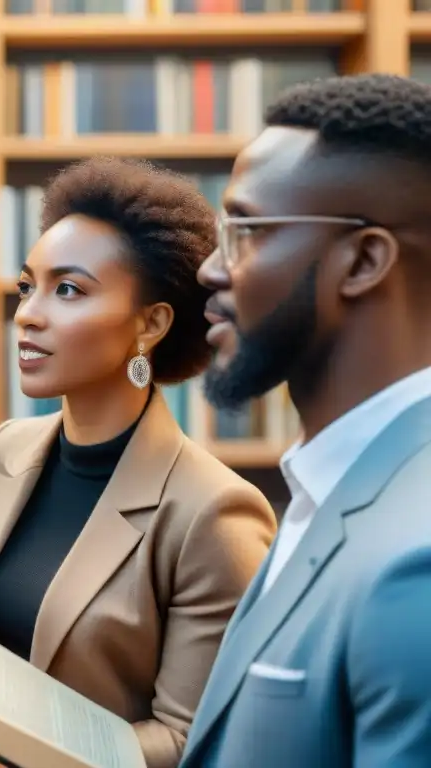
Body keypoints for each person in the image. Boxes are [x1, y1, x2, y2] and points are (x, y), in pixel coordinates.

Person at [0, 157, 277, 768]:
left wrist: (28, 745)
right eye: (28, 286)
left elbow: (192, 739)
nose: (27, 312)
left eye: (69, 289)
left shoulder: (213, 514)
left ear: (151, 324)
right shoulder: (6, 450)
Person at [181, 73, 431, 768]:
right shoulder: (329, 486)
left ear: (365, 260)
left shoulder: (418, 561)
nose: (209, 270)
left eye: (245, 232)